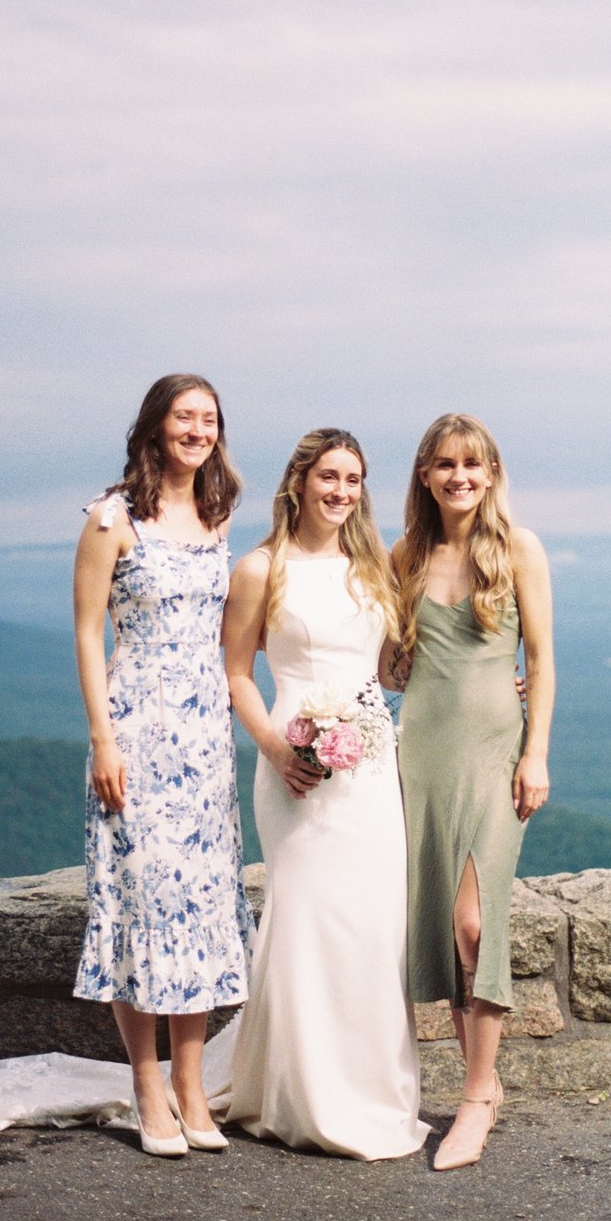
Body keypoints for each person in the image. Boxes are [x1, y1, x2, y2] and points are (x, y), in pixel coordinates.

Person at [220, 429, 430, 1160]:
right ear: (300, 481)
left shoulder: (373, 567)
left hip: (372, 769)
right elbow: (237, 673)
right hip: (293, 762)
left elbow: (394, 668)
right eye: (329, 477)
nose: (342, 491)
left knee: (372, 925)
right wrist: (277, 749)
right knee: (308, 919)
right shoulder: (260, 568)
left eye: (353, 479)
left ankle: (371, 1090)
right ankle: (299, 1094)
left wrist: (500, 680)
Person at [72, 373, 254, 1157]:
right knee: (142, 902)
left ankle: (191, 1083)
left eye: (208, 418)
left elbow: (236, 630)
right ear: (155, 425)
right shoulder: (113, 518)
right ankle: (147, 1082)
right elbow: (86, 634)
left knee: (203, 906)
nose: (198, 429)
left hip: (206, 738)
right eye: (184, 416)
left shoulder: (216, 516)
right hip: (137, 731)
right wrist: (104, 739)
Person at [392, 414, 554, 1172]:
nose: (460, 475)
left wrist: (536, 753)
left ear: (491, 473)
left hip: (496, 755)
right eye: (445, 463)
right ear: (425, 473)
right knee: (448, 930)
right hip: (421, 755)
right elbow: (395, 668)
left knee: (472, 919)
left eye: (473, 463)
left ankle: (478, 1096)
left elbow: (543, 661)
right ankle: (479, 1085)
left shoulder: (518, 548)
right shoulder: (406, 555)